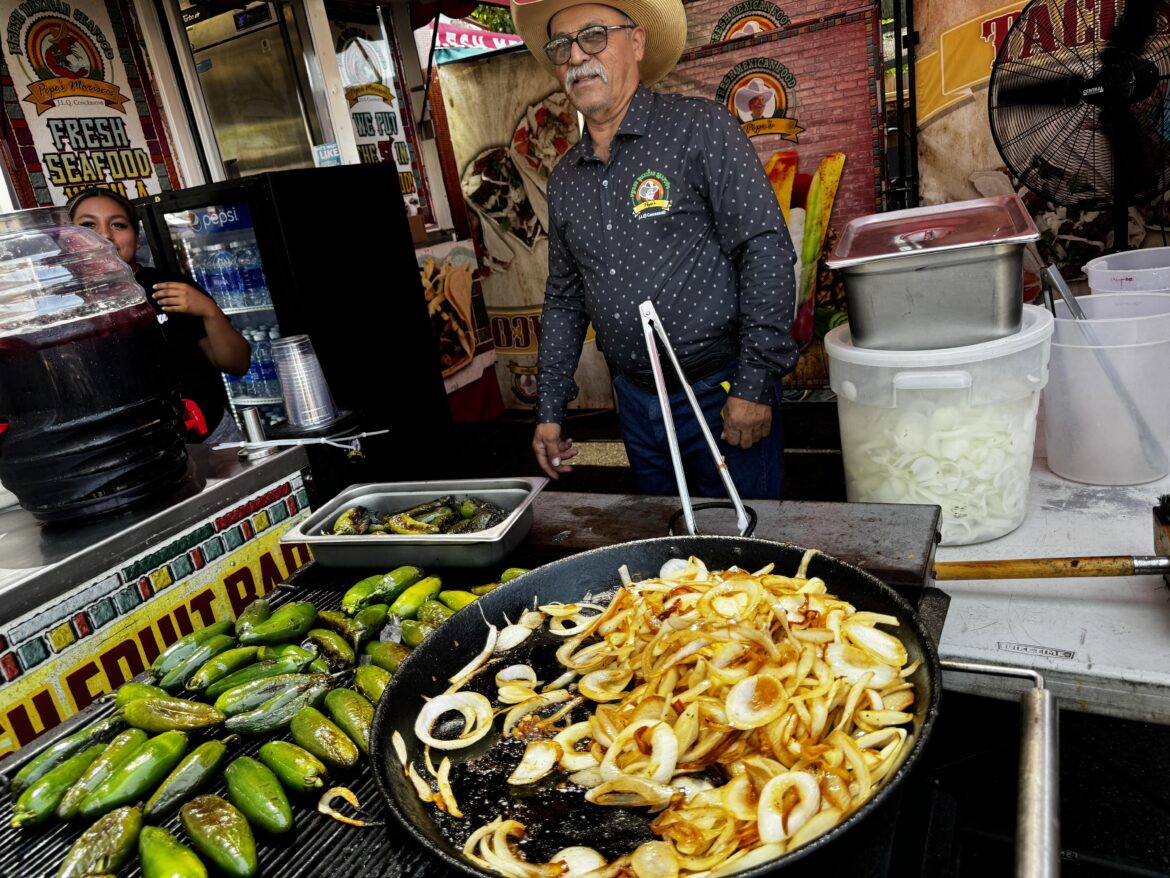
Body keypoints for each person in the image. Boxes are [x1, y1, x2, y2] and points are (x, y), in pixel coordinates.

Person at [511, 0, 798, 499]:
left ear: (637, 43)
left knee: (745, 552)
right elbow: (564, 297)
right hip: (638, 405)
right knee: (666, 556)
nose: (577, 55)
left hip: (720, 392)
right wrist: (550, 408)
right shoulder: (565, 180)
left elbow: (765, 249)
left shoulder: (698, 128)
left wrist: (754, 383)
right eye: (562, 45)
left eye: (595, 35)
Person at [68, 188, 251, 444]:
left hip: (208, 439)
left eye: (118, 225)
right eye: (88, 226)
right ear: (68, 240)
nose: (105, 235)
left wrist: (210, 312)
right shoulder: (63, 308)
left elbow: (237, 364)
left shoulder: (169, 287)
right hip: (125, 452)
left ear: (135, 235)